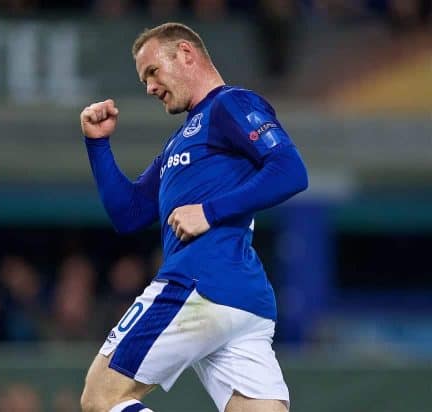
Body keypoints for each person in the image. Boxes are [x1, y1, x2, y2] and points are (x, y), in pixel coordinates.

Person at [79, 22, 308, 412]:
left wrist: (209, 211)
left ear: (185, 54)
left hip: (200, 281)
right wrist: (98, 145)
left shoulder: (230, 104)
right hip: (241, 302)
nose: (149, 86)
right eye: (143, 79)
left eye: (152, 71)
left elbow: (290, 170)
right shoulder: (181, 141)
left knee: (101, 396)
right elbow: (130, 214)